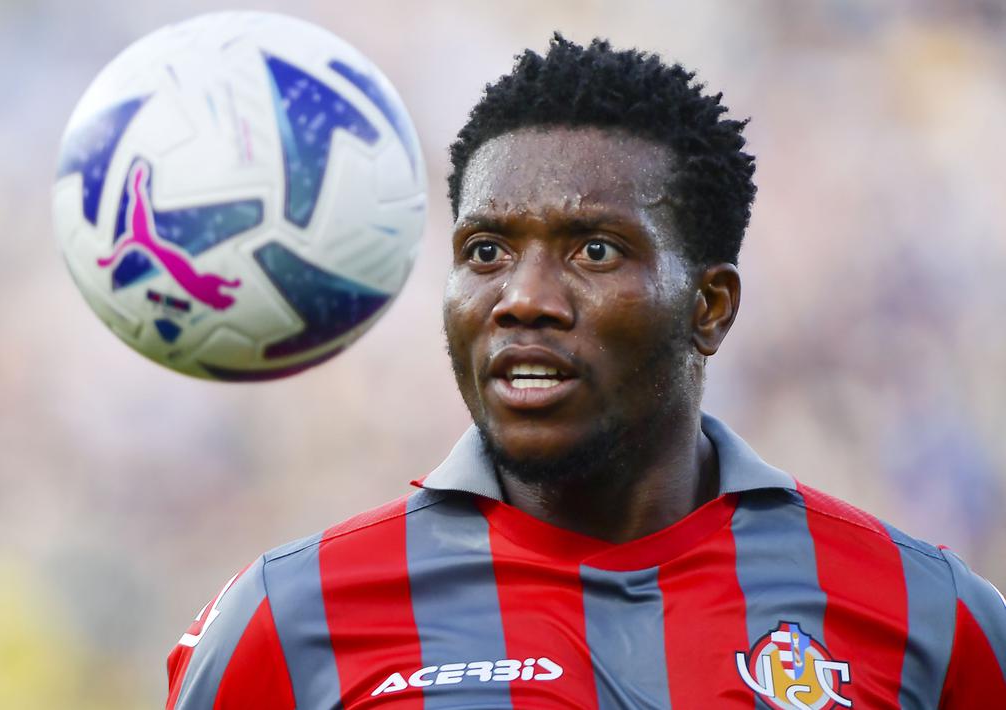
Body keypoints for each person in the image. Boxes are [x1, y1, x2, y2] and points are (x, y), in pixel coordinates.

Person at [164, 35, 1006, 709]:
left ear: (709, 307)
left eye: (594, 250)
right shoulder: (290, 617)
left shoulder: (927, 614)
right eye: (485, 251)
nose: (522, 300)